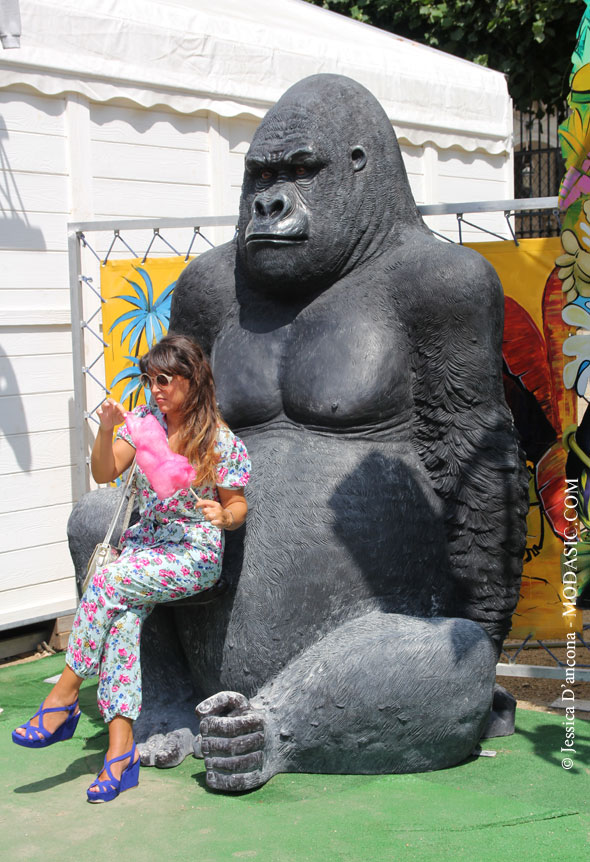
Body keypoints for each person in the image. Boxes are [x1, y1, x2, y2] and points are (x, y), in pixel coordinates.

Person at [12, 334, 250, 803]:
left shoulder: (219, 439)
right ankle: (119, 758)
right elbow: (104, 473)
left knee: (107, 580)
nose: (155, 388)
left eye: (165, 379)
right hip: (146, 546)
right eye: (149, 379)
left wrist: (223, 516)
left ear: (192, 380)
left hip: (192, 554)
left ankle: (62, 698)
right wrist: (105, 430)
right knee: (120, 622)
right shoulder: (143, 422)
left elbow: (237, 503)